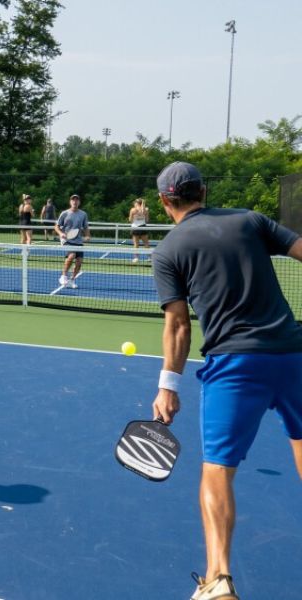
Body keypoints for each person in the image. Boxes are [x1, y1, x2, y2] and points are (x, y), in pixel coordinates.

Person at [150, 161, 302, 600]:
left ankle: (218, 580)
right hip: (292, 355)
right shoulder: (250, 220)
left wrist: (168, 386)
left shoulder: (168, 250)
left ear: (165, 202)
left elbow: (178, 325)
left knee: (217, 469)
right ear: (204, 189)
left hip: (236, 367)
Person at [53, 194, 90, 289]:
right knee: (72, 255)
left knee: (79, 262)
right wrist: (61, 234)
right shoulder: (64, 213)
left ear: (79, 202)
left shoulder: (83, 214)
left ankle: (72, 279)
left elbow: (85, 227)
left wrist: (87, 235)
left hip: (78, 241)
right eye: (73, 200)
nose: (75, 201)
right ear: (70, 202)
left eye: (77, 200)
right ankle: (63, 276)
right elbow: (56, 226)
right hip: (67, 239)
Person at [128, 197, 150, 262]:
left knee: (136, 244)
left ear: (137, 203)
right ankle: (149, 257)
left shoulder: (132, 210)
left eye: (135, 203)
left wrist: (135, 217)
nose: (134, 204)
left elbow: (130, 220)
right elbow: (147, 220)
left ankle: (136, 258)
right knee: (146, 243)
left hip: (135, 227)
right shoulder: (146, 209)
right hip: (143, 226)